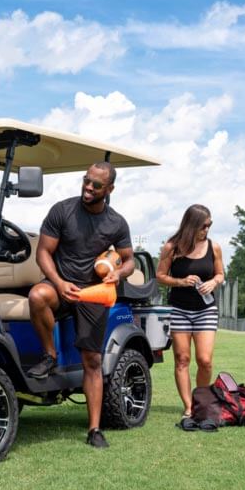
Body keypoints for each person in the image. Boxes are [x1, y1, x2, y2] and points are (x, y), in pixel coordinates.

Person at [27, 161, 135, 449]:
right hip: (62, 287)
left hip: (93, 294)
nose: (88, 187)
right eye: (86, 180)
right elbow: (43, 253)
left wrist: (118, 272)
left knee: (93, 361)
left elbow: (129, 260)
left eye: (96, 185)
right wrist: (59, 283)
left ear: (109, 189)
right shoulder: (62, 210)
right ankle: (49, 357)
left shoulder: (116, 222)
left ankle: (94, 429)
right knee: (37, 295)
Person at [156, 204, 224, 428]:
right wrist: (181, 282)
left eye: (209, 225)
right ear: (192, 225)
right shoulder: (172, 247)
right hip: (180, 310)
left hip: (206, 310)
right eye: (204, 225)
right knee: (182, 359)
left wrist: (213, 282)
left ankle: (200, 400)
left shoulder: (214, 247)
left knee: (204, 360)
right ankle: (189, 406)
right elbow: (161, 276)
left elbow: (220, 274)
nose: (207, 229)